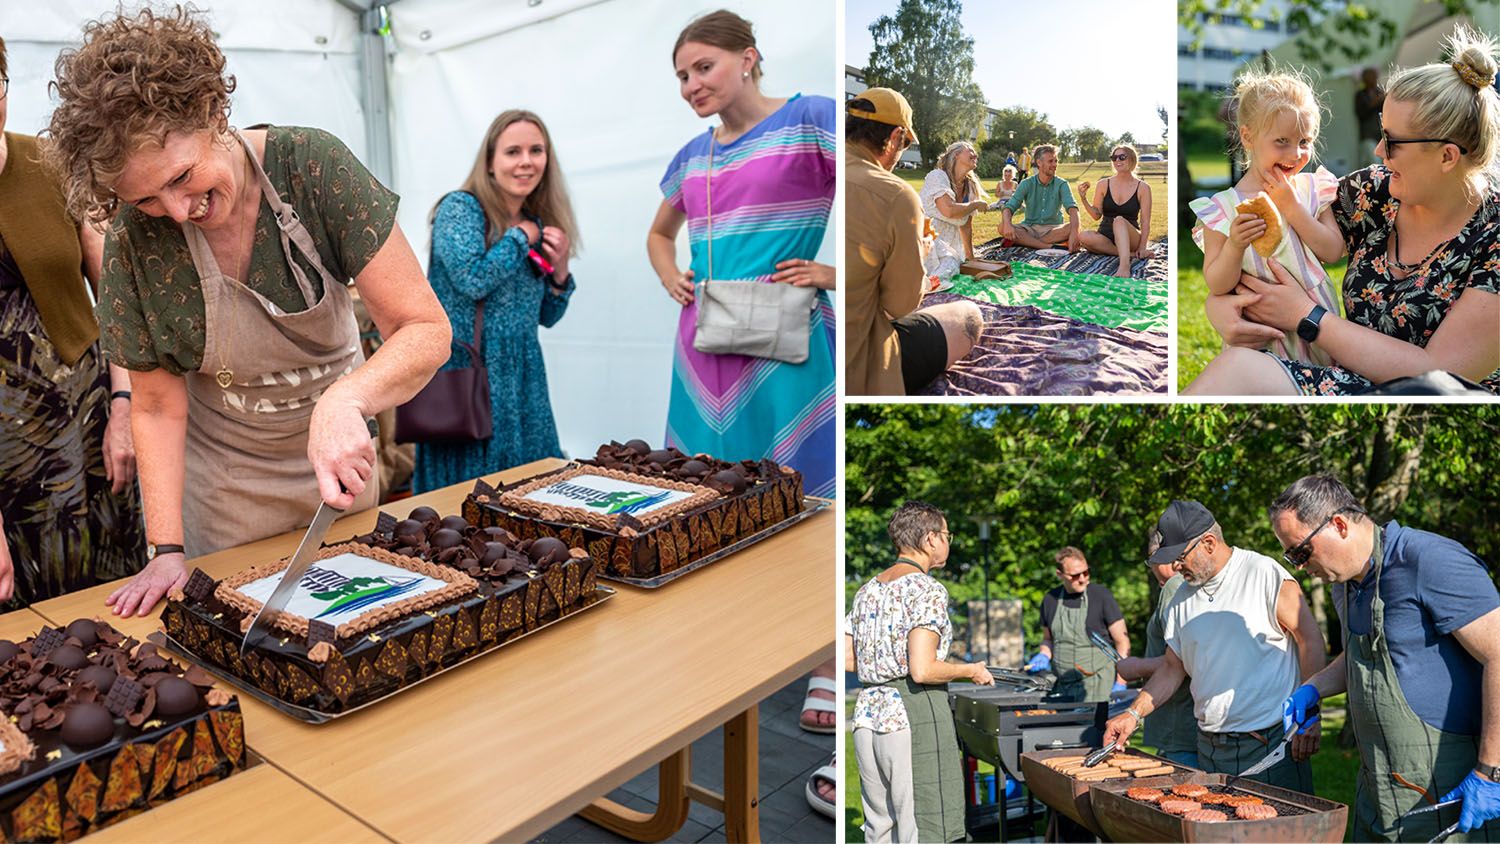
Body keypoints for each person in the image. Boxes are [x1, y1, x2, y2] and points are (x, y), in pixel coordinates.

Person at [44, 6, 451, 616]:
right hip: (227, 495)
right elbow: (156, 406)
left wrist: (347, 398)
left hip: (340, 478)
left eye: (183, 177)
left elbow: (424, 329)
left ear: (212, 111)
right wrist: (167, 548)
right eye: (147, 198)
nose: (179, 211)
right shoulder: (132, 240)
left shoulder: (314, 168)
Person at [1193, 26, 1500, 395]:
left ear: (1447, 156)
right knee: (1235, 369)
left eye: (1393, 141)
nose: (1378, 152)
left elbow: (1440, 381)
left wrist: (1305, 316)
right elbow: (1289, 242)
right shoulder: (1376, 190)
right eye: (1382, 133)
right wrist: (1220, 307)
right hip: (1341, 375)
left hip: (1426, 403)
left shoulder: (1493, 236)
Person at [647, 10, 835, 497]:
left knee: (799, 488)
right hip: (703, 335)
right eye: (682, 76)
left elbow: (875, 199)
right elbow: (659, 235)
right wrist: (670, 276)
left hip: (789, 332)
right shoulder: (692, 154)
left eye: (704, 67)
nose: (691, 85)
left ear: (747, 58)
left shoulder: (812, 118)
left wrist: (836, 273)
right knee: (702, 489)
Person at [1269, 475, 1500, 840]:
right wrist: (1313, 688)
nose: (1299, 566)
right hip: (1377, 794)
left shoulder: (1428, 560)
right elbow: (1360, 661)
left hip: (1447, 792)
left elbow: (1498, 654)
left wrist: (1491, 772)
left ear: (1339, 525)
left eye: (1300, 552)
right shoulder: (1343, 586)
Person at [0, 35, 146, 604]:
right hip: (8, 463)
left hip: (89, 428)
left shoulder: (51, 163)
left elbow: (117, 299)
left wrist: (125, 406)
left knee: (114, 598)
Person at [1101, 500, 1327, 792]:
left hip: (1269, 743)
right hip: (1207, 747)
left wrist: (1310, 713)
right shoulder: (1181, 597)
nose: (1176, 566)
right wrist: (1133, 714)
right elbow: (1172, 667)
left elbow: (1308, 639)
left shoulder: (1263, 574)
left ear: (1208, 543)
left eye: (1180, 557)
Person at [413, 110, 577, 493]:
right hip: (471, 374)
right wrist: (520, 238)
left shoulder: (537, 220)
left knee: (531, 494)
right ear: (490, 162)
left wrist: (561, 271)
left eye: (536, 150)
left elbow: (548, 316)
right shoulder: (460, 209)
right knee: (467, 500)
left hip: (523, 380)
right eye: (512, 151)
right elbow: (471, 280)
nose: (526, 161)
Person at [846, 501, 993, 843]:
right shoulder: (926, 589)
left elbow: (849, 658)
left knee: (880, 827)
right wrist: (970, 670)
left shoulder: (867, 590)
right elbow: (923, 669)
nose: (948, 543)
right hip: (909, 716)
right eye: (946, 535)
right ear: (930, 539)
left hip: (867, 716)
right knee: (924, 826)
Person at [1187, 68, 1343, 373]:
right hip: (1258, 334)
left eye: (1304, 141)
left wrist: (1294, 209)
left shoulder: (1313, 189)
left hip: (1316, 321)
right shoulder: (1223, 208)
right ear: (1248, 137)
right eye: (1282, 141)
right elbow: (1217, 283)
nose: (1295, 153)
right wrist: (1234, 245)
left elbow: (1333, 251)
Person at [845, 88, 981, 396]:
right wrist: (917, 254)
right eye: (905, 144)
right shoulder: (896, 194)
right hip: (857, 365)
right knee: (970, 316)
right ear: (895, 137)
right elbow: (901, 305)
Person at [1114, 530, 1199, 767]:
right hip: (1185, 724)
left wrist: (1135, 667)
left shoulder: (1174, 585)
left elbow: (1179, 661)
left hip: (1178, 724)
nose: (1152, 571)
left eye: (1152, 562)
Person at [1025, 546, 1130, 702]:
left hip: (1098, 686)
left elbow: (1123, 642)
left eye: (1086, 572)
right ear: (1060, 574)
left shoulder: (1101, 596)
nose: (1083, 578)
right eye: (1075, 575)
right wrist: (1044, 654)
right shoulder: (1050, 600)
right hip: (1062, 686)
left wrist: (1121, 683)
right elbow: (1048, 639)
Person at [1075, 143, 1154, 277]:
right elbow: (1096, 215)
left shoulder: (1143, 188)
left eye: (1122, 157)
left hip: (1130, 236)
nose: (1117, 160)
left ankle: (1124, 267)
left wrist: (1142, 247)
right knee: (1083, 236)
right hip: (1106, 234)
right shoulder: (1103, 184)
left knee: (1119, 220)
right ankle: (1130, 254)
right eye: (1114, 158)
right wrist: (1083, 199)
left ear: (1131, 159)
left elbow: (1145, 222)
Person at [918, 141, 989, 281]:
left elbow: (966, 226)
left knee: (953, 264)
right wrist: (974, 204)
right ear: (956, 155)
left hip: (951, 243)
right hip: (925, 236)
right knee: (947, 266)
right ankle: (925, 289)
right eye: (970, 150)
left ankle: (929, 284)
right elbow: (949, 210)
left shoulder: (970, 186)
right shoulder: (937, 176)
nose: (975, 154)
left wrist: (970, 258)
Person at [999, 145, 1080, 251]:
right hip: (1030, 228)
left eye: (1056, 161)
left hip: (1053, 229)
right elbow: (1009, 207)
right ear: (1039, 163)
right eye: (1050, 161)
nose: (1055, 165)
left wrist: (1074, 233)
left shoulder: (1062, 184)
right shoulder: (1026, 183)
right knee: (1002, 226)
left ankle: (1026, 242)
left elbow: (1073, 209)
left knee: (1072, 227)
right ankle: (1048, 246)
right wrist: (1007, 224)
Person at [1356, 66, 1387, 164]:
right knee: (1374, 161)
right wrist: (1375, 102)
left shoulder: (1380, 92)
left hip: (1382, 134)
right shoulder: (1360, 95)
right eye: (1370, 77)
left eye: (1374, 76)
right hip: (1368, 135)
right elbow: (1360, 113)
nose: (1373, 79)